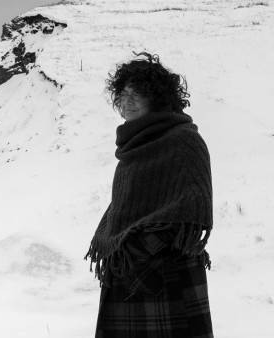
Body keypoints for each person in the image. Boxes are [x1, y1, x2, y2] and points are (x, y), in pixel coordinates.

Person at [85, 52, 214, 337]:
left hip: (169, 275)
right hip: (129, 271)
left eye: (137, 95)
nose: (127, 102)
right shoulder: (132, 146)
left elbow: (192, 208)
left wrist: (139, 248)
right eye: (123, 95)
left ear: (157, 98)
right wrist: (124, 249)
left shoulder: (184, 140)